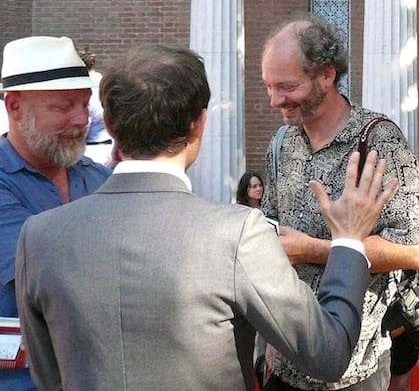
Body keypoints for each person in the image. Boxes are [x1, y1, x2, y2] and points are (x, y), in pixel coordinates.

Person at [15, 44, 395, 390]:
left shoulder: (39, 236)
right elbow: (326, 353)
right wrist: (347, 241)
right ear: (199, 123)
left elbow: (49, 376)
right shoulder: (237, 234)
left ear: (111, 126)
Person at [260, 15, 419, 391]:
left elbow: (418, 249)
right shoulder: (281, 142)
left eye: (287, 87)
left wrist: (315, 250)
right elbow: (270, 220)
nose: (276, 101)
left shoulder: (380, 139)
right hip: (285, 358)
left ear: (326, 75)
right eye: (269, 87)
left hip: (354, 368)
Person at [0, 35, 111, 391]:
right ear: (15, 107)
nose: (81, 119)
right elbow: (49, 270)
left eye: (85, 103)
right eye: (63, 107)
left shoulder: (99, 178)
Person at [78, 46, 112, 164]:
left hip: (92, 150)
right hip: (110, 147)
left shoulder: (87, 90)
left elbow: (85, 123)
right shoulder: (106, 85)